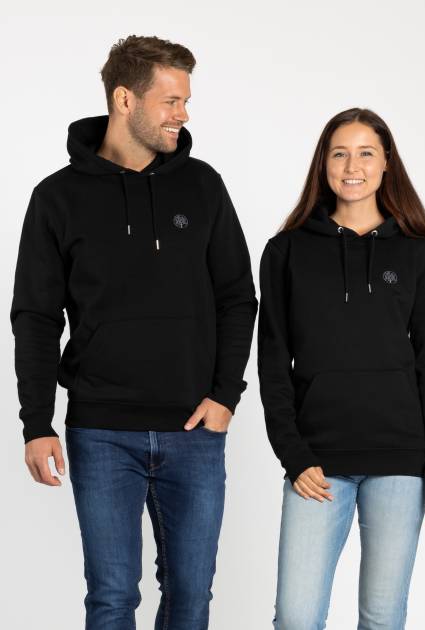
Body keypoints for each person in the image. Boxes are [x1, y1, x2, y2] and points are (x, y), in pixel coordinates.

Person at [10, 35, 257, 630]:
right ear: (125, 99)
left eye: (186, 100)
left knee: (191, 596)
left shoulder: (203, 186)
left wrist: (225, 395)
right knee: (112, 597)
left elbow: (237, 297)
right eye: (171, 100)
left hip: (194, 430)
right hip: (100, 432)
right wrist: (37, 423)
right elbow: (36, 317)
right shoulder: (57, 198)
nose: (184, 114)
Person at [257, 107, 425, 629]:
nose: (353, 166)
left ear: (386, 161)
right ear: (323, 163)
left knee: (382, 618)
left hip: (400, 462)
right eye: (340, 153)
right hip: (316, 465)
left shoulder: (420, 255)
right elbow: (273, 361)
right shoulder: (286, 251)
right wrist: (292, 452)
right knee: (296, 618)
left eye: (366, 153)